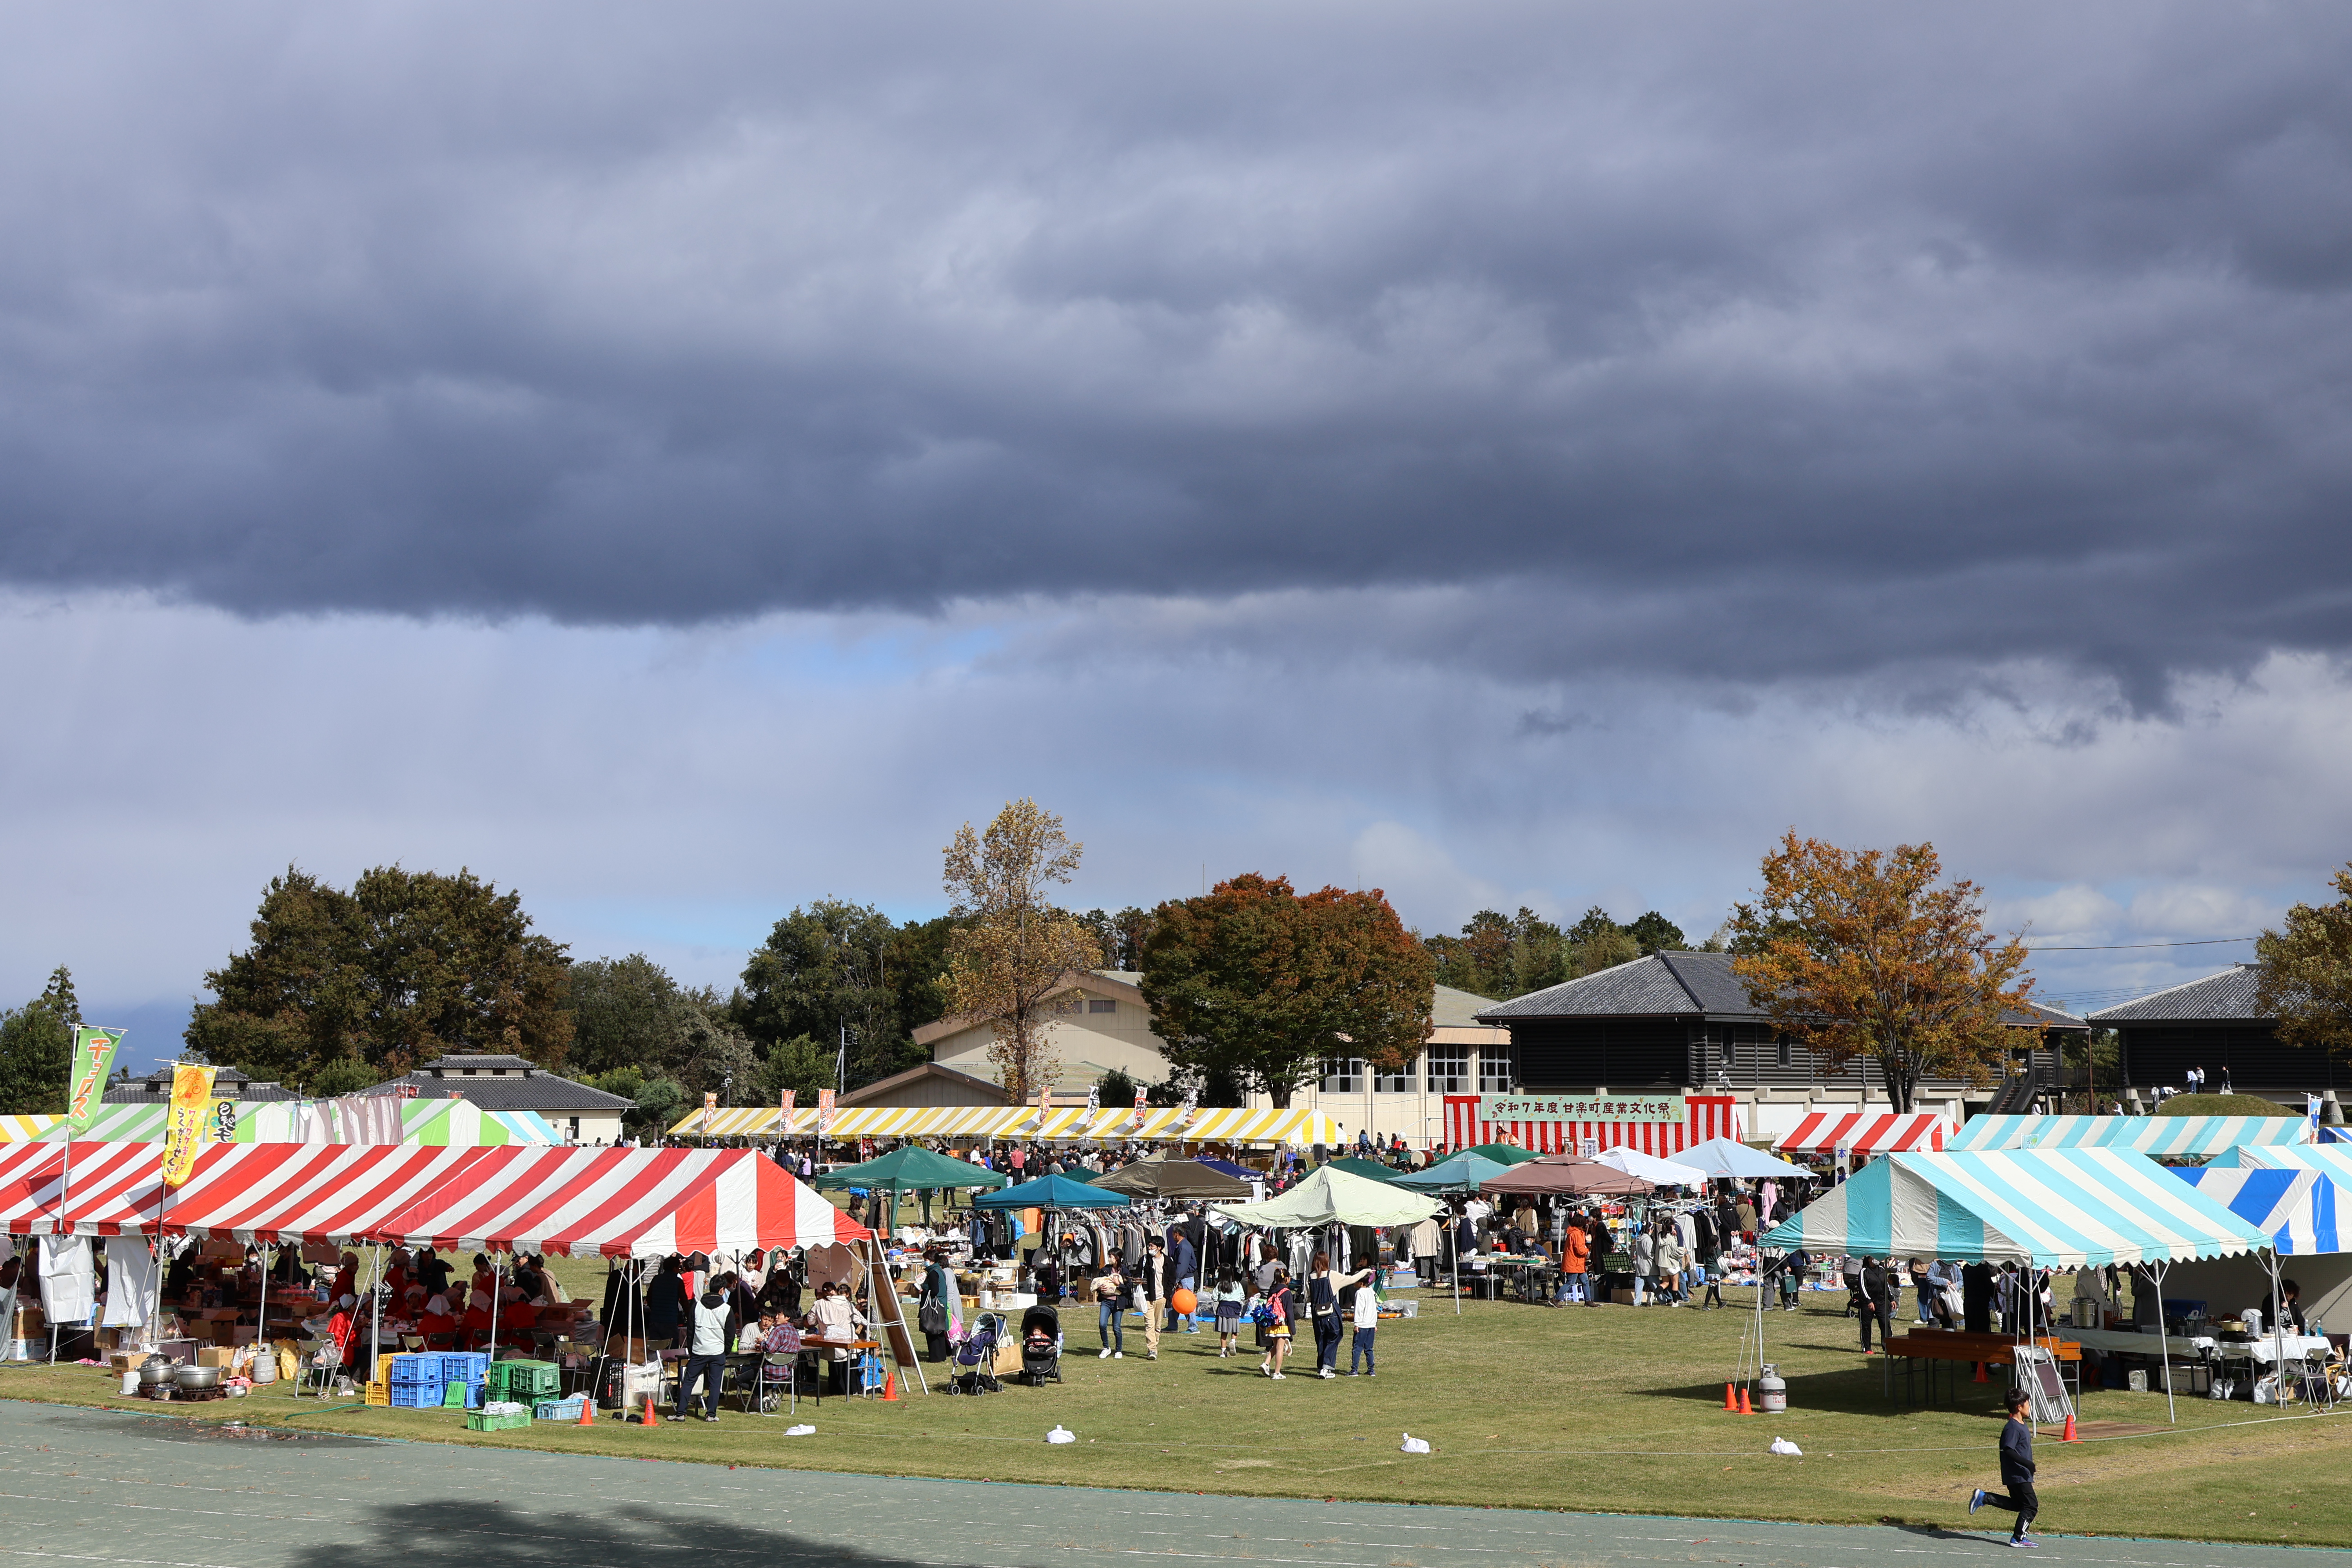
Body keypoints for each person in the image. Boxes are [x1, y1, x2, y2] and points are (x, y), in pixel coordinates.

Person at [1968, 1389, 2040, 1546]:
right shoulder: (2013, 1427)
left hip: (2021, 1474)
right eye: (2028, 1404)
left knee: (2019, 1505)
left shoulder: (2021, 1424)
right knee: (2031, 1505)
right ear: (2020, 1407)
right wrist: (2027, 1464)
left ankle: (1985, 1497)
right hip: (2017, 1475)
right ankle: (2019, 1538)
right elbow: (2008, 1449)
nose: (2030, 1407)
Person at [675, 1274, 741, 1423]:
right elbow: (731, 1334)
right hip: (718, 1352)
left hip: (699, 1350)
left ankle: (681, 1413)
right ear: (722, 1290)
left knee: (689, 1382)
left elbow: (690, 1331)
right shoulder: (726, 1309)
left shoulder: (697, 1306)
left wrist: (692, 1350)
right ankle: (711, 1414)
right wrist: (726, 1351)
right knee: (715, 1384)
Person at [1307, 1251, 1342, 1379]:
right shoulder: (1330, 1275)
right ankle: (1326, 1368)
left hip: (1317, 1313)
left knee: (1321, 1340)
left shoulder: (1310, 1277)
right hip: (1330, 1312)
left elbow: (1308, 1295)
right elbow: (1348, 1280)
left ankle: (1321, 1366)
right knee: (1335, 1336)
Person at [1258, 1267, 1297, 1379]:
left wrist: (1262, 1323)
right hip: (1281, 1324)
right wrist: (1293, 1329)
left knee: (1276, 1346)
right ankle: (1277, 1373)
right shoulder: (1287, 1292)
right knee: (1280, 1348)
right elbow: (1289, 1311)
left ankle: (1266, 1364)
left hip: (1271, 1322)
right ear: (1287, 1279)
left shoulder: (1272, 1289)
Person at [1134, 1236, 1169, 1361]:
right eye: (1149, 1246)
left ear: (1159, 1248)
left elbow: (1171, 1279)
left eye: (1152, 1246)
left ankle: (1154, 1345)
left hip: (1161, 1298)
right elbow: (1137, 1273)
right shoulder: (1144, 1260)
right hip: (1147, 1297)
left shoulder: (1167, 1261)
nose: (1149, 1248)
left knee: (1157, 1326)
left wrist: (1166, 1296)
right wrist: (1138, 1280)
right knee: (1149, 1324)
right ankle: (1152, 1350)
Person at [1342, 1264, 1378, 1376]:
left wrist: (1357, 1324)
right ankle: (1371, 1369)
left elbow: (1359, 1310)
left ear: (1361, 1283)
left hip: (1362, 1325)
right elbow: (1374, 1309)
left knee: (1357, 1348)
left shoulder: (1360, 1293)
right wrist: (1374, 1324)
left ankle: (1355, 1369)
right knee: (1369, 1348)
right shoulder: (1371, 1292)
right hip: (1371, 1325)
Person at [1859, 1258, 1896, 1352]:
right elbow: (1863, 1287)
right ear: (1869, 1260)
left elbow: (1886, 1286)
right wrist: (1869, 1301)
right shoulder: (1864, 1271)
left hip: (1882, 1302)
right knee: (1866, 1325)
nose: (1876, 1260)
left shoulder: (1882, 1270)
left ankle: (1887, 1347)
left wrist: (1891, 1299)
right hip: (1868, 1303)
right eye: (1874, 1258)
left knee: (1885, 1324)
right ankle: (1867, 1348)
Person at [1091, 1260, 1126, 1359]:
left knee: (1116, 1327)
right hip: (1106, 1302)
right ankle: (1106, 1348)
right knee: (1102, 1325)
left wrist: (1119, 1284)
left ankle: (1119, 1351)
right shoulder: (1105, 1270)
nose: (1110, 1258)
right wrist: (1100, 1288)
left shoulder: (1125, 1271)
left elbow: (1128, 1288)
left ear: (1117, 1258)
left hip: (1118, 1303)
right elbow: (1098, 1282)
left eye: (1111, 1256)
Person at [1556, 1212, 1591, 1306]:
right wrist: (1587, 1251)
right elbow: (1580, 1250)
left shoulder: (1574, 1233)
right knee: (1570, 1283)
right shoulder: (1576, 1234)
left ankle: (1588, 1301)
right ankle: (1555, 1299)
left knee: (1585, 1281)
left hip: (1577, 1263)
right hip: (1574, 1263)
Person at [1210, 1267, 1246, 1358]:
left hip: (1222, 1309)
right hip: (1234, 1309)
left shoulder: (1220, 1285)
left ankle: (1223, 1352)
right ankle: (1233, 1341)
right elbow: (1242, 1296)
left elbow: (1214, 1298)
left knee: (1224, 1331)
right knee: (1235, 1330)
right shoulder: (1237, 1284)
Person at [1630, 1223, 1656, 1307]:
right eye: (1652, 1230)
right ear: (1650, 1230)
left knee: (1639, 1286)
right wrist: (1656, 1259)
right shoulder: (1648, 1240)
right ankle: (1663, 1299)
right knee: (1656, 1285)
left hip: (1640, 1266)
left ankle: (1637, 1302)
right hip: (1648, 1267)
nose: (1652, 1232)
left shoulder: (1639, 1239)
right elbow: (1649, 1253)